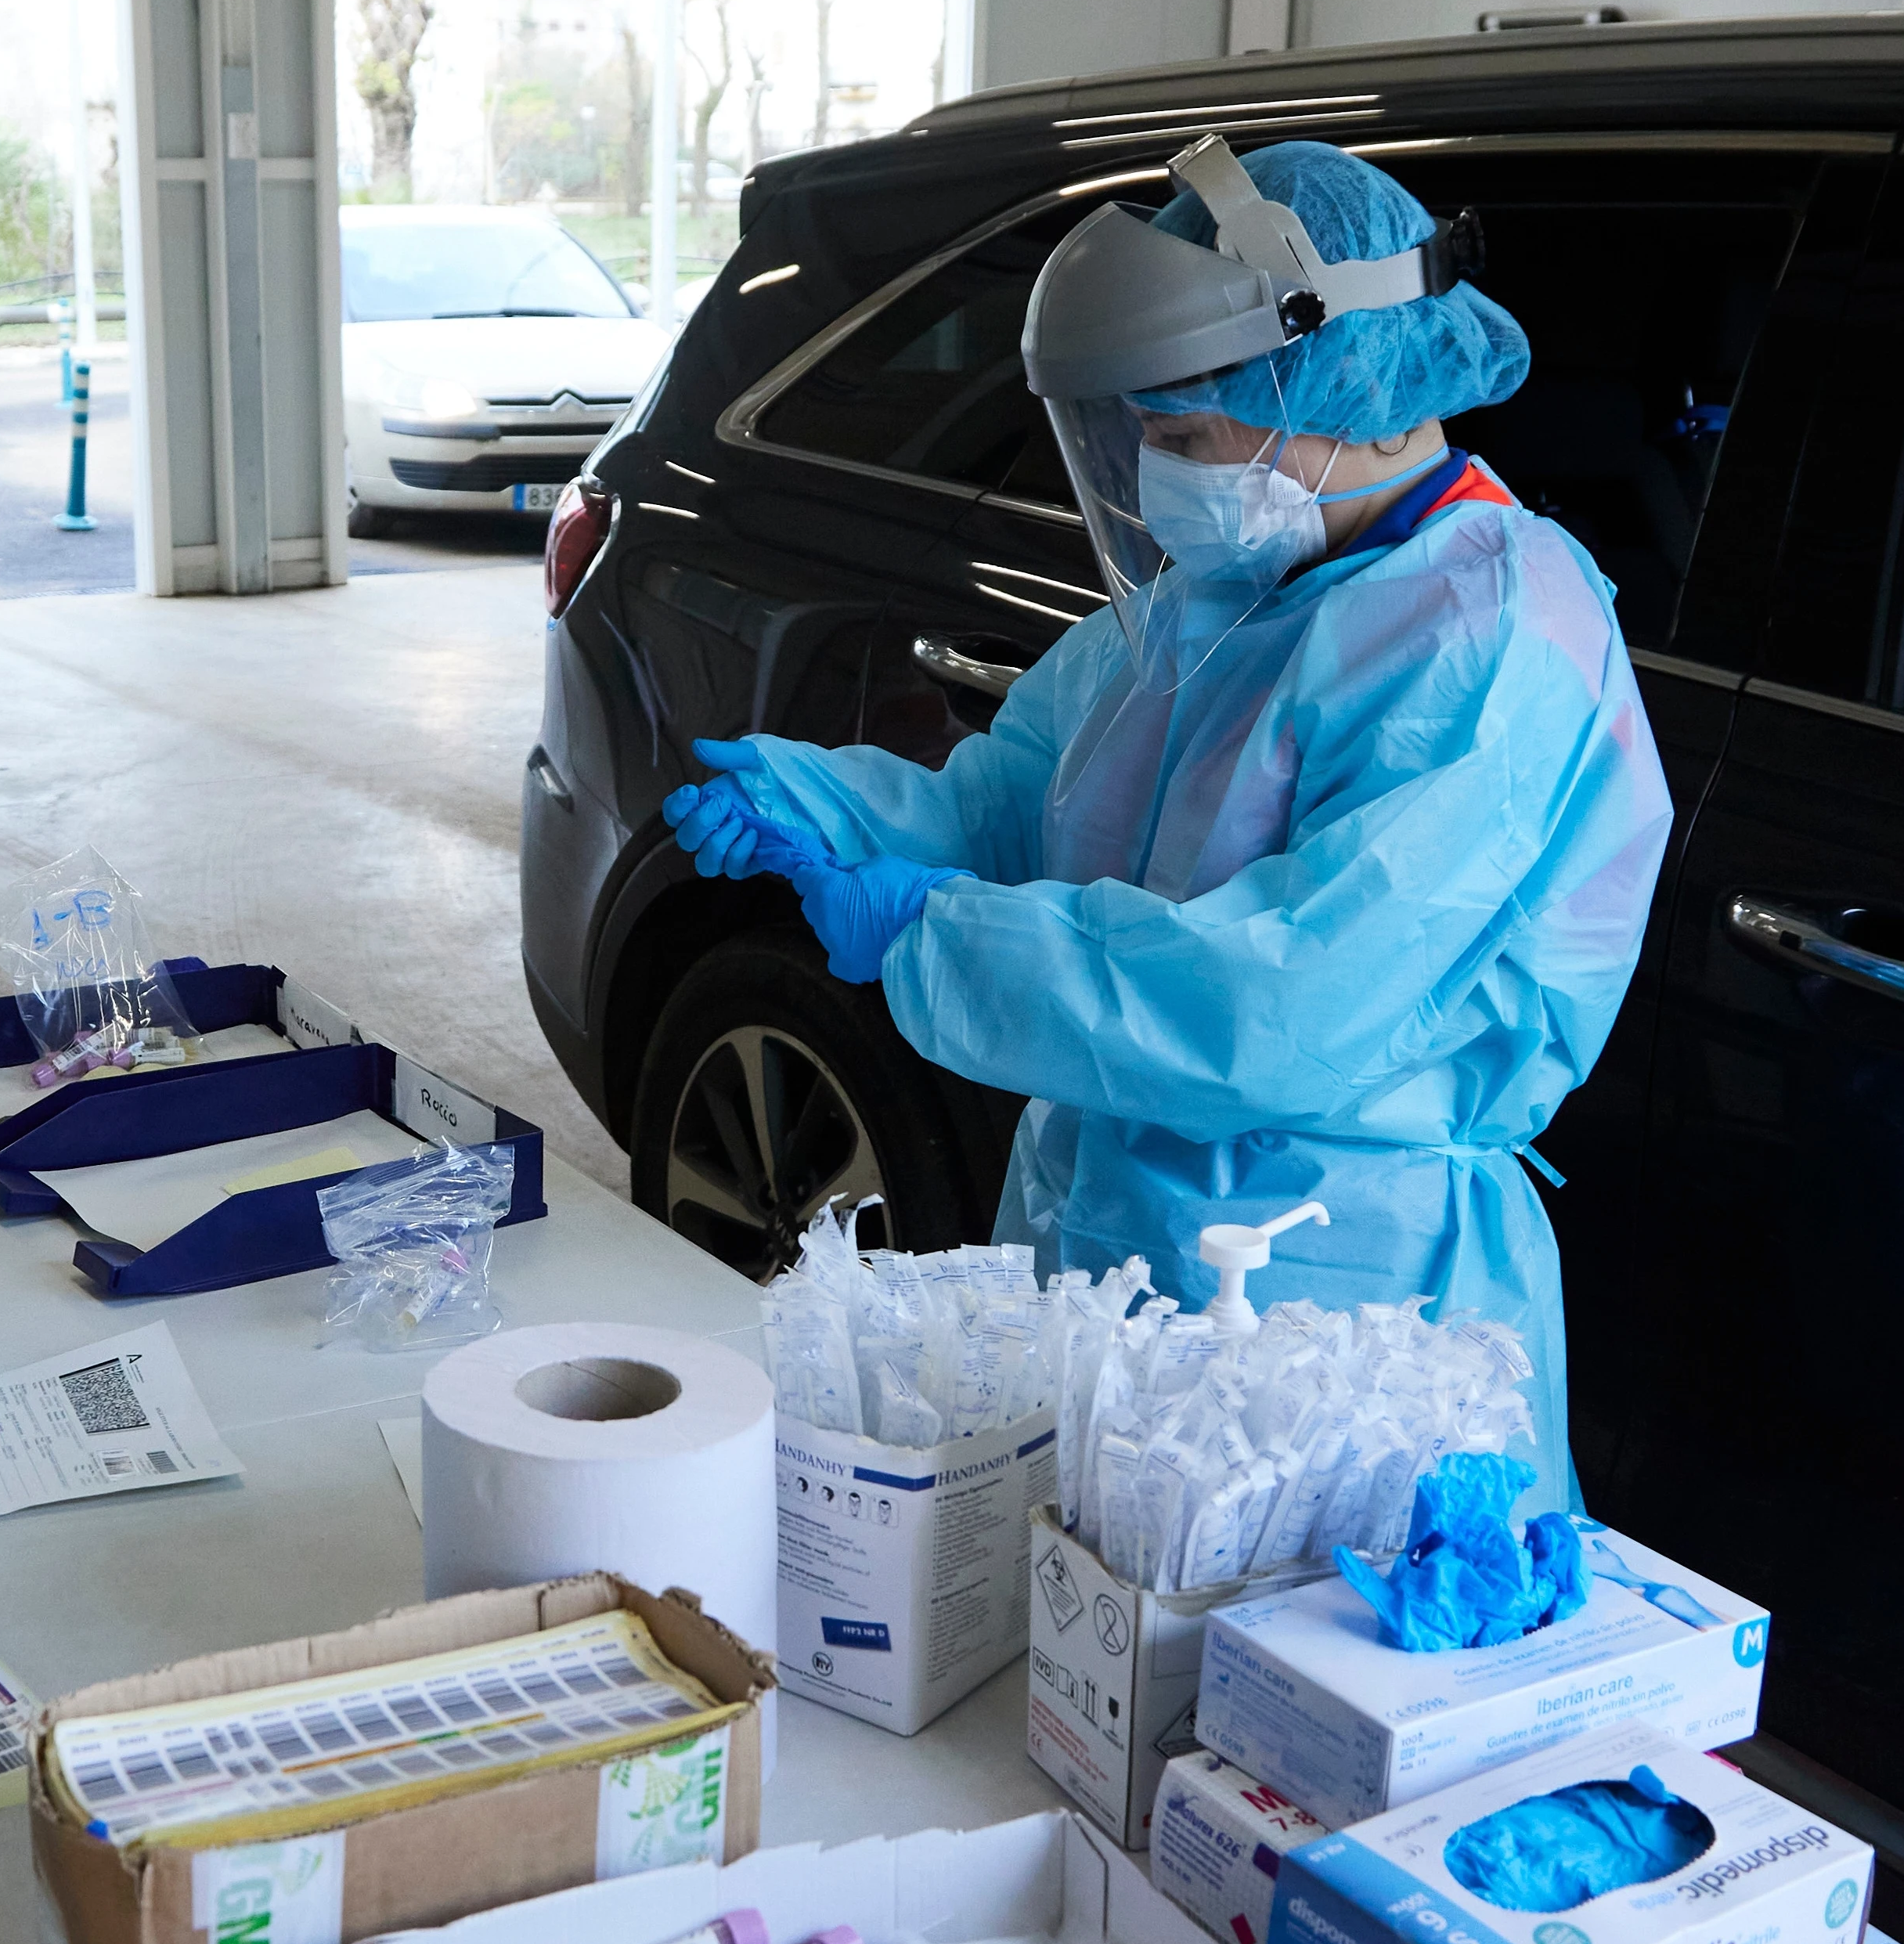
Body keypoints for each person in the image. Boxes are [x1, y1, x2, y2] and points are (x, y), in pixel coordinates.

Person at [667, 139, 1671, 1512]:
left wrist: (929, 927)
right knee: (1070, 1672)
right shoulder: (1223, 597)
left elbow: (1282, 1003)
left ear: (1361, 400)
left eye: (1188, 436)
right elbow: (1016, 810)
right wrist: (828, 808)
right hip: (1109, 1230)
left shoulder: (1483, 640)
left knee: (1269, 1687)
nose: (1151, 480)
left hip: (1339, 1297)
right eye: (1141, 432)